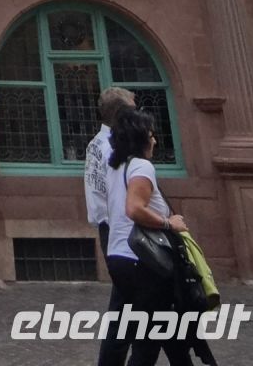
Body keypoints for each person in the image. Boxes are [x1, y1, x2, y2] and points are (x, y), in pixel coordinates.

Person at [105, 107, 201, 366]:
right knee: (149, 340)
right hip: (145, 261)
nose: (155, 141)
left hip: (119, 256)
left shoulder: (116, 168)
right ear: (140, 139)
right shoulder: (141, 166)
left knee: (163, 330)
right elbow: (134, 209)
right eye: (151, 135)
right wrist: (169, 223)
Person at [86, 86, 136, 366]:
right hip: (123, 231)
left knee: (128, 307)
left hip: (111, 230)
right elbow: (122, 198)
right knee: (126, 309)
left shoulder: (96, 143)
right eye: (133, 109)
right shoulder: (113, 149)